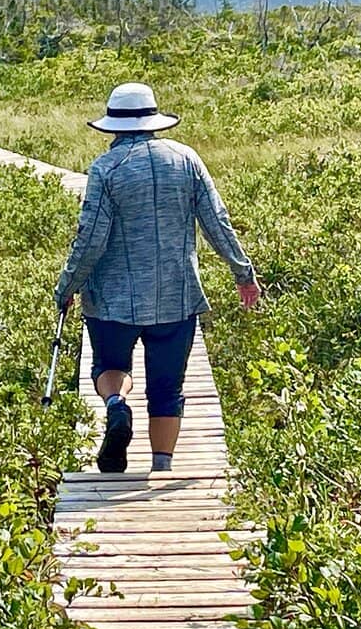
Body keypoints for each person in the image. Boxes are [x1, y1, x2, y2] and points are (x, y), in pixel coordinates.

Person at [54, 82, 260, 473]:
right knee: (168, 388)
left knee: (110, 368)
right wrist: (242, 273)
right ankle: (162, 468)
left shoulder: (106, 169)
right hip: (176, 296)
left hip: (111, 299)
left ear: (112, 126)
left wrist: (68, 285)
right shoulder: (186, 160)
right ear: (155, 121)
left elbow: (91, 238)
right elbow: (216, 222)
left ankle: (117, 405)